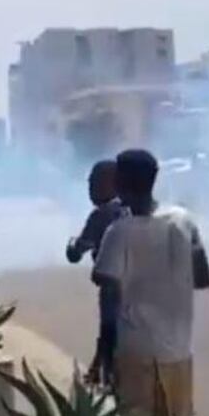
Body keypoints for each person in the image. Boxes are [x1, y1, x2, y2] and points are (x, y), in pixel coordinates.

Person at [93, 149, 209, 416]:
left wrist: (103, 354)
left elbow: (109, 295)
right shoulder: (184, 220)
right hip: (178, 348)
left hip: (136, 350)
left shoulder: (119, 231)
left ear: (119, 183)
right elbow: (202, 277)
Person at [66, 160, 125, 386]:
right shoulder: (131, 210)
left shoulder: (101, 215)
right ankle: (97, 369)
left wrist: (73, 247)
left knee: (109, 330)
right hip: (139, 287)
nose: (91, 189)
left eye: (95, 183)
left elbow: (77, 252)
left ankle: (106, 378)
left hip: (111, 285)